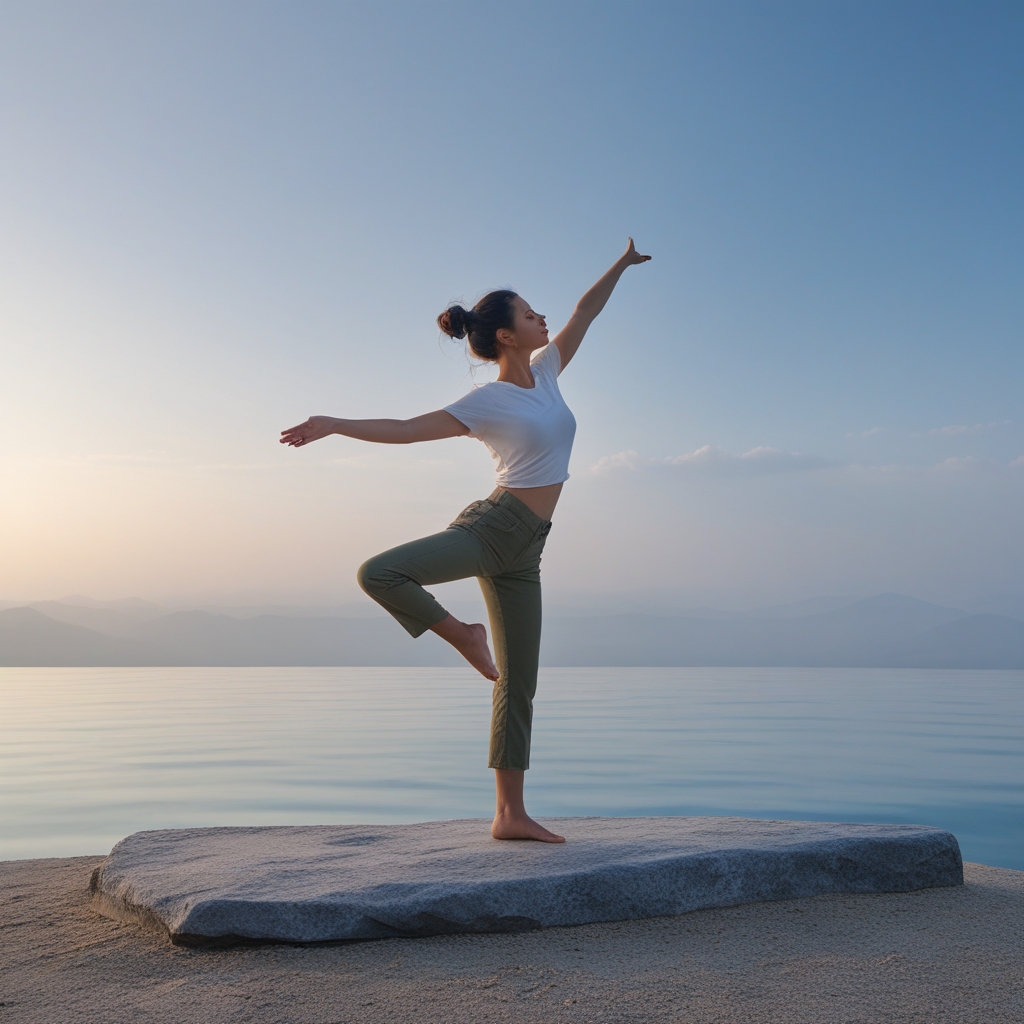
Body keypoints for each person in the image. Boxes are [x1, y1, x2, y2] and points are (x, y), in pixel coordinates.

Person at [280, 238, 651, 842]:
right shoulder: (487, 401)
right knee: (380, 572)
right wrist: (334, 424)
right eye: (530, 315)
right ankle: (462, 634)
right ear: (505, 335)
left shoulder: (550, 371)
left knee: (519, 680)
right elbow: (405, 430)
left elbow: (586, 311)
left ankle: (510, 814)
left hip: (528, 548)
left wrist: (623, 263)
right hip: (491, 529)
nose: (542, 318)